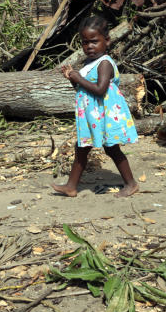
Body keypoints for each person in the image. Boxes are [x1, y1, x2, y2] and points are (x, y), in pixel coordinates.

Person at [52, 14, 139, 198]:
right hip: (92, 115)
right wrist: (72, 78)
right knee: (81, 147)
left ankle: (131, 183)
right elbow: (82, 89)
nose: (89, 47)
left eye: (94, 41)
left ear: (106, 41)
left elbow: (100, 90)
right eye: (85, 43)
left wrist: (78, 77)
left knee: (111, 148)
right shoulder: (88, 63)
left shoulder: (105, 63)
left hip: (104, 115)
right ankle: (71, 186)